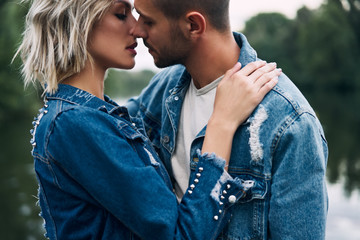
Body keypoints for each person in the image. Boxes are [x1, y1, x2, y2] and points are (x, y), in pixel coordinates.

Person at [14, 0, 280, 239]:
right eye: (121, 14)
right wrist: (222, 122)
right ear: (79, 23)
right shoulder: (74, 124)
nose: (137, 29)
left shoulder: (96, 114)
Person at [127, 0, 329, 239]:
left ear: (193, 25)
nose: (137, 31)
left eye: (148, 21)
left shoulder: (289, 123)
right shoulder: (164, 87)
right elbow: (105, 125)